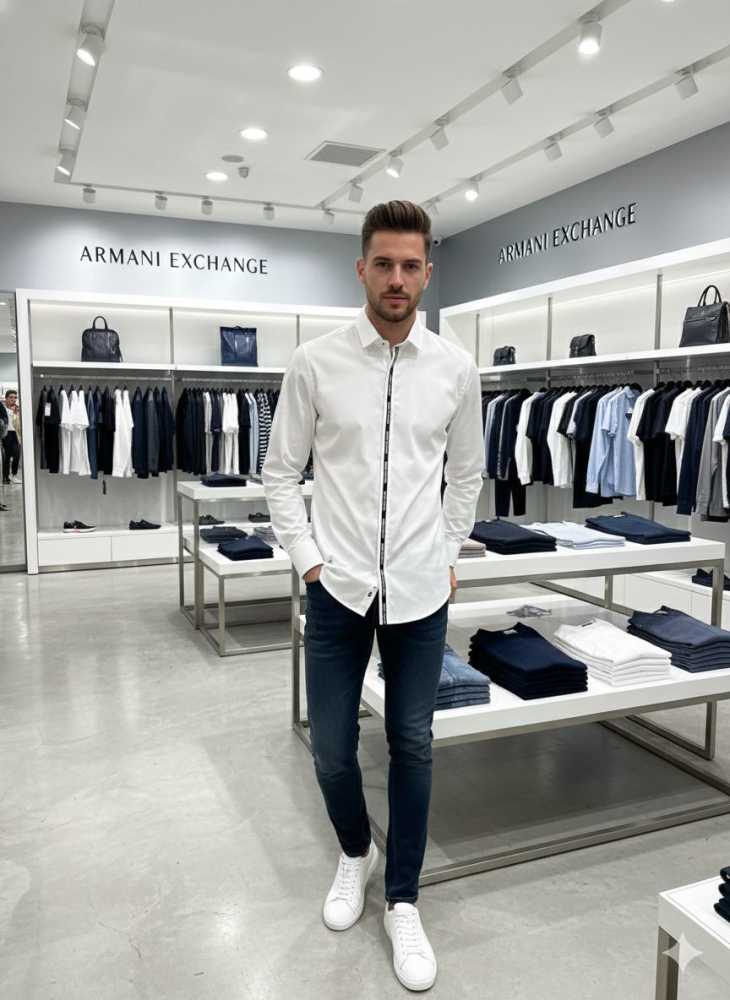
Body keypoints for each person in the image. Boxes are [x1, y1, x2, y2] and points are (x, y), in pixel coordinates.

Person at [262, 201, 484, 991]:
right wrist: (309, 560)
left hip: (421, 591)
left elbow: (466, 475)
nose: (397, 278)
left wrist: (447, 552)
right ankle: (355, 851)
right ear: (361, 268)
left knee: (413, 744)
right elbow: (280, 472)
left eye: (410, 265)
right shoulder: (314, 363)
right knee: (330, 747)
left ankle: (403, 898)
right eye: (384, 264)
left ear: (427, 272)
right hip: (338, 588)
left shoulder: (456, 369)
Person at [2, 389, 21, 485]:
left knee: (17, 455)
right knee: (7, 456)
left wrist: (16, 413)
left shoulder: (18, 409)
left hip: (15, 434)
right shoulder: (2, 409)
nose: (13, 399)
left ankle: (14, 475)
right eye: (11, 397)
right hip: (5, 434)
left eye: (15, 397)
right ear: (6, 398)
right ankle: (6, 477)